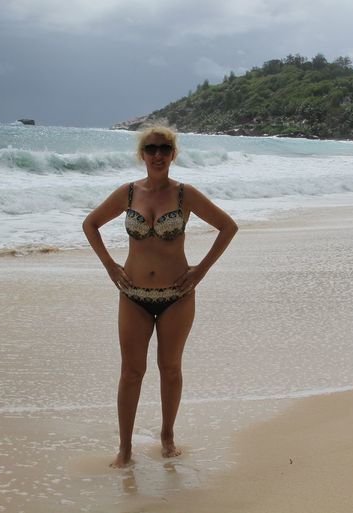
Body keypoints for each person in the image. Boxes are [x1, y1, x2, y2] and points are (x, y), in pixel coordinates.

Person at [82, 126, 238, 468]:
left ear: (173, 154)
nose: (157, 154)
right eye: (151, 148)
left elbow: (228, 227)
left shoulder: (185, 195)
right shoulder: (127, 193)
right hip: (133, 295)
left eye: (164, 149)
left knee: (170, 369)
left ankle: (167, 436)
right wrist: (110, 266)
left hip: (177, 296)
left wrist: (201, 271)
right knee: (131, 372)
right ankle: (125, 448)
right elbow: (90, 224)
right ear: (142, 154)